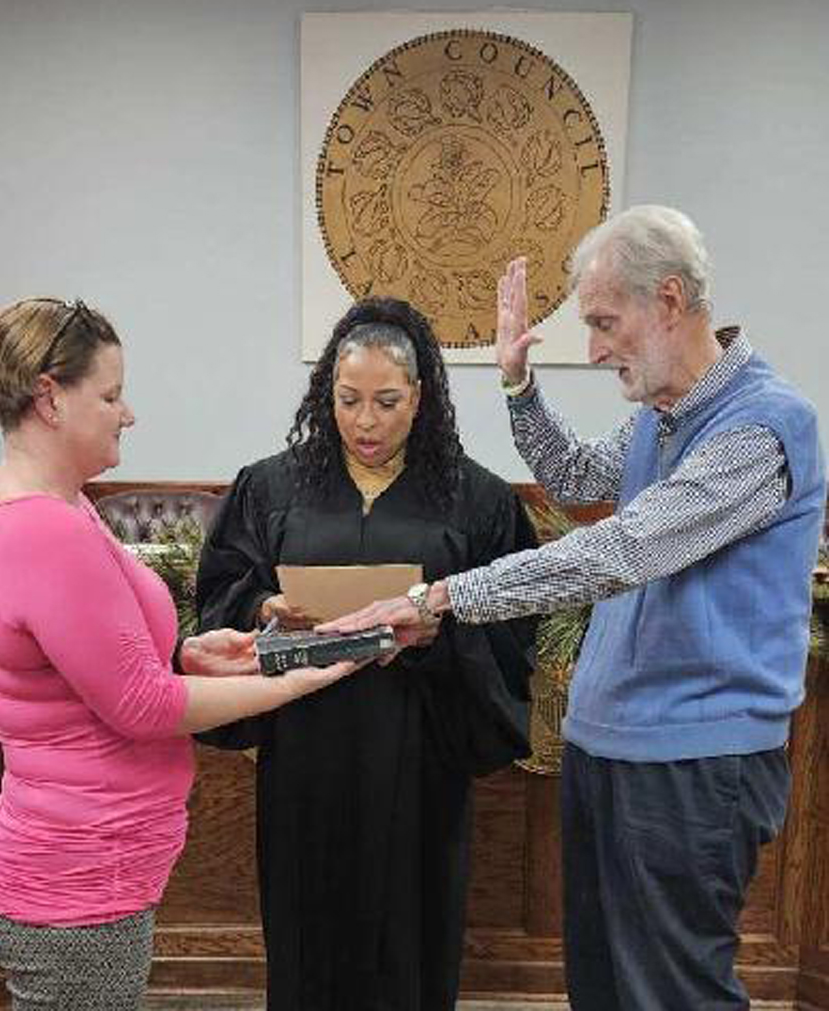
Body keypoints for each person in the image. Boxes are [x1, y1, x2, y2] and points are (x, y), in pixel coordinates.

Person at [324, 206, 827, 1010]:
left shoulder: (762, 427)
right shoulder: (659, 421)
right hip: (610, 746)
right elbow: (573, 474)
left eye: (603, 322)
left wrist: (445, 595)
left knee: (672, 994)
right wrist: (520, 385)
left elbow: (622, 549)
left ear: (668, 299)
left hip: (694, 762)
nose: (593, 350)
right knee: (602, 987)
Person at [0, 297, 359, 1011]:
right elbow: (143, 707)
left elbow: (92, 661)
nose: (128, 412)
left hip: (91, 871)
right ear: (50, 397)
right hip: (77, 879)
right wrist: (299, 674)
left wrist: (188, 653)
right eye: (111, 394)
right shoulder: (40, 528)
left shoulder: (61, 504)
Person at [195, 296, 537, 1011]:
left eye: (387, 400)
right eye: (348, 399)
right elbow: (224, 587)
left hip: (419, 748)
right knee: (306, 926)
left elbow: (512, 620)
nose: (366, 421)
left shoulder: (474, 497)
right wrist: (263, 608)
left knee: (411, 930)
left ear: (419, 396)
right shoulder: (272, 486)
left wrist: (441, 632)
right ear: (328, 393)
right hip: (306, 751)